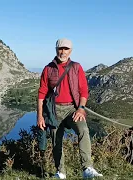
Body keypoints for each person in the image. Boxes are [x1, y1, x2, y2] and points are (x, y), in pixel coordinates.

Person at [37, 38, 103, 179]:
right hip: (54, 110)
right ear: (56, 50)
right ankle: (61, 172)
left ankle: (87, 168)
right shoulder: (48, 68)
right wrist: (40, 116)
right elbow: (41, 93)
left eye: (66, 49)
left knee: (83, 130)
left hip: (73, 109)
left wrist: (81, 109)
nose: (63, 51)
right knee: (56, 141)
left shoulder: (76, 67)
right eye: (60, 48)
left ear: (70, 50)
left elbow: (84, 91)